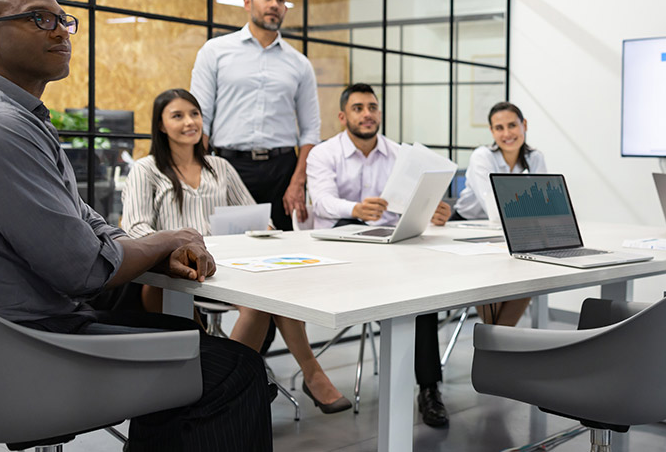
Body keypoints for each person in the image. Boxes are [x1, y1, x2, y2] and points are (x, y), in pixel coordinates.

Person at [0, 0, 273, 450]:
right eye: (40, 18)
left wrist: (148, 248)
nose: (60, 31)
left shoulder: (14, 117)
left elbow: (85, 220)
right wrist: (164, 240)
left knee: (180, 333)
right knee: (233, 371)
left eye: (64, 20)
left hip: (19, 328)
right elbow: (83, 268)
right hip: (24, 345)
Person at [122, 88, 351, 414]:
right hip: (176, 274)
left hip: (227, 268)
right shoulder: (146, 170)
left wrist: (266, 230)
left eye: (194, 114)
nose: (190, 122)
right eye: (178, 115)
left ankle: (226, 381)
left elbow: (254, 216)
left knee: (269, 294)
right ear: (160, 126)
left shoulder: (220, 167)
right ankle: (302, 375)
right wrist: (175, 245)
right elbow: (135, 229)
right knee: (259, 293)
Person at [307, 82, 452, 427]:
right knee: (342, 218)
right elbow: (322, 202)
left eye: (372, 107)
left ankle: (429, 389)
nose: (367, 114)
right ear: (343, 116)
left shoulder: (401, 154)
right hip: (341, 254)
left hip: (393, 252)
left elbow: (414, 203)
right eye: (358, 108)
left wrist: (434, 210)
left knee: (423, 296)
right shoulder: (323, 154)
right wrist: (356, 208)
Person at [190, 0, 319, 233]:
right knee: (231, 246)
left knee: (284, 248)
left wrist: (298, 180)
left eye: (281, 0)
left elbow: (311, 130)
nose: (274, 5)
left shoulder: (299, 63)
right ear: (248, 3)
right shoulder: (215, 51)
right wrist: (199, 173)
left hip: (282, 171)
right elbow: (201, 119)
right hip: (229, 166)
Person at [454, 101, 544, 326]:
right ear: (492, 131)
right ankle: (499, 343)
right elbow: (495, 212)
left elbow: (544, 207)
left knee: (531, 272)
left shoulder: (535, 158)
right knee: (494, 273)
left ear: (524, 125)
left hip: (512, 233)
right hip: (467, 230)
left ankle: (495, 342)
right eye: (499, 128)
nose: (507, 134)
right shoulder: (482, 156)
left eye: (512, 125)